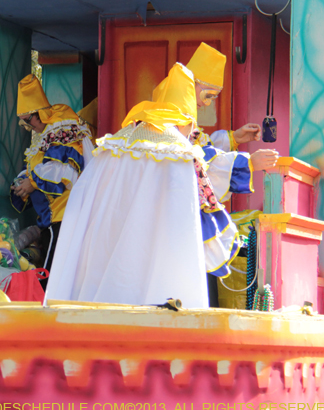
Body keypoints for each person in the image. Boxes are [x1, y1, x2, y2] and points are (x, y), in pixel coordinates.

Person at [44, 65, 212, 308]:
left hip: (99, 255)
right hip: (149, 261)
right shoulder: (179, 154)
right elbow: (182, 224)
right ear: (186, 121)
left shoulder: (114, 143)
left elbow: (84, 194)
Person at [182, 43, 279, 304]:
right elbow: (202, 169)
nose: (208, 103)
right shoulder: (172, 119)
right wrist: (248, 164)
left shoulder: (184, 118)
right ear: (194, 85)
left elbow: (205, 150)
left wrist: (234, 138)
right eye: (209, 95)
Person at [10, 75, 92, 284]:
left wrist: (32, 183)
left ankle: (44, 309)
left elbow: (64, 172)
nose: (29, 126)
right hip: (56, 216)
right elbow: (38, 166)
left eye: (29, 120)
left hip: (64, 213)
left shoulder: (60, 129)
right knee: (56, 268)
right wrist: (23, 183)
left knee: (50, 273)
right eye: (25, 123)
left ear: (41, 113)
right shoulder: (48, 135)